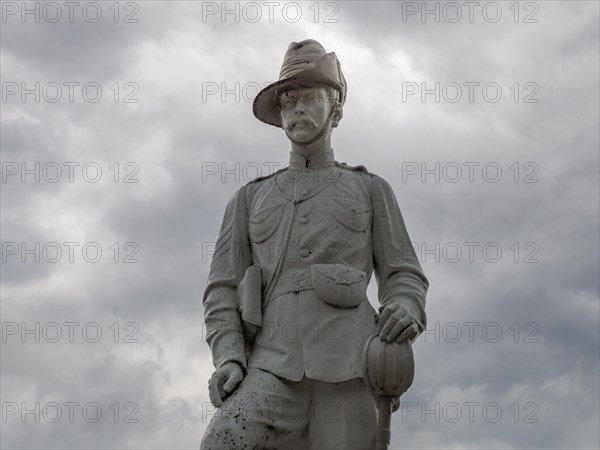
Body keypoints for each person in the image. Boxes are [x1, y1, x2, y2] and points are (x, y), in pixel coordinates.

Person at [200, 39, 428, 450]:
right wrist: (229, 357)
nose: (297, 109)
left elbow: (403, 273)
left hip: (351, 364)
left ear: (336, 109)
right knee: (221, 442)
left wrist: (406, 308)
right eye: (288, 101)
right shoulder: (250, 198)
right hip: (271, 365)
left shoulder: (369, 188)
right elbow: (222, 289)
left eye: (310, 97)